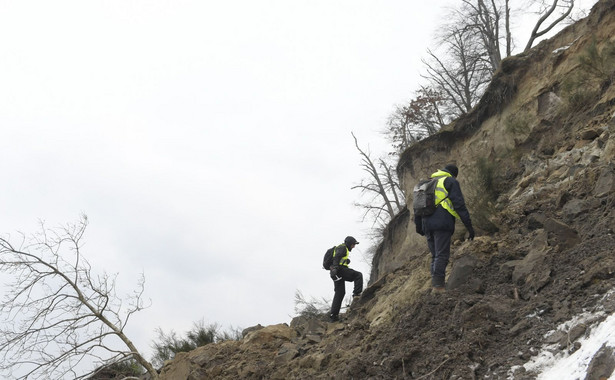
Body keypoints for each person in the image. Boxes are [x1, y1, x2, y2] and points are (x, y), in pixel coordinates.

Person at [414, 164, 474, 293]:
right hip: (442, 223)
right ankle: (438, 287)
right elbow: (459, 204)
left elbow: (417, 208)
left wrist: (419, 227)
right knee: (442, 255)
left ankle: (435, 284)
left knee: (435, 255)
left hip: (426, 225)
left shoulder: (425, 183)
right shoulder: (450, 181)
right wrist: (469, 226)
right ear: (453, 174)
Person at [329, 236, 363, 322]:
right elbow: (336, 257)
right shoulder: (342, 248)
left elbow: (338, 258)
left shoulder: (342, 248)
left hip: (335, 272)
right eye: (353, 244)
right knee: (358, 275)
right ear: (348, 243)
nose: (354, 246)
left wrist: (346, 261)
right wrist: (336, 268)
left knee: (340, 292)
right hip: (339, 270)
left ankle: (334, 316)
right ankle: (356, 295)